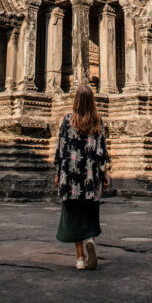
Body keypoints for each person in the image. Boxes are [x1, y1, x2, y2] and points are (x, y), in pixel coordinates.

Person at [54, 83, 110, 270]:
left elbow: (61, 150)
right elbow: (101, 152)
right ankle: (91, 240)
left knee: (74, 216)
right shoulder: (97, 122)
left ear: (76, 101)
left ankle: (79, 258)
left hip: (71, 179)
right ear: (92, 102)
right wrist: (105, 174)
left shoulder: (67, 121)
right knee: (90, 213)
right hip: (90, 177)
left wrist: (57, 174)